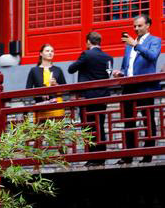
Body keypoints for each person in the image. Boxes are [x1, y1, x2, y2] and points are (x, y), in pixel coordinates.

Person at [112, 13, 161, 163]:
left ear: (148, 25)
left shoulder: (155, 40)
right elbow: (126, 65)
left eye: (140, 25)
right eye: (134, 26)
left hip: (145, 86)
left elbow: (152, 56)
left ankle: (148, 154)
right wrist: (121, 72)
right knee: (128, 121)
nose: (136, 28)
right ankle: (128, 156)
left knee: (148, 120)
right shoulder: (130, 43)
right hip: (129, 86)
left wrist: (136, 45)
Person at [67, 32, 114, 164]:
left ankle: (92, 157)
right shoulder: (109, 58)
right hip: (102, 97)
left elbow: (71, 69)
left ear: (88, 42)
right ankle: (101, 156)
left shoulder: (86, 55)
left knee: (88, 127)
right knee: (100, 125)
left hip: (87, 97)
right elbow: (108, 74)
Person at [25, 43, 66, 123]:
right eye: (47, 51)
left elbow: (65, 89)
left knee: (57, 129)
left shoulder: (58, 70)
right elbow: (28, 90)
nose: (50, 53)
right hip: (41, 106)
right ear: (41, 53)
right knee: (41, 129)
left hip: (56, 106)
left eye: (52, 51)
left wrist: (56, 85)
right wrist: (40, 93)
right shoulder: (34, 70)